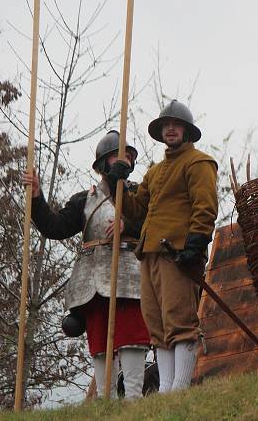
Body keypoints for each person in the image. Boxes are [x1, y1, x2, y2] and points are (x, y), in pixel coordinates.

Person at [23, 130, 149, 399]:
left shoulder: (140, 195)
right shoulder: (85, 199)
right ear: (104, 163)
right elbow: (55, 227)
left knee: (132, 334)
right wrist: (36, 198)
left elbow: (156, 223)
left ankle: (134, 399)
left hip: (129, 273)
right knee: (101, 339)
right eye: (118, 156)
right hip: (92, 278)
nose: (124, 160)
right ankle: (106, 401)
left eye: (128, 156)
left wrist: (130, 225)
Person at [106, 100, 217, 392]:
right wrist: (116, 181)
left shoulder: (199, 163)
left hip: (177, 253)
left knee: (180, 322)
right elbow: (135, 210)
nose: (170, 129)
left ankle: (179, 388)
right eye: (166, 125)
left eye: (176, 124)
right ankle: (167, 390)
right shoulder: (154, 173)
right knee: (158, 327)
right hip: (150, 254)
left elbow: (205, 207)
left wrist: (195, 244)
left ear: (187, 131)